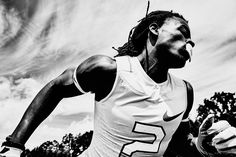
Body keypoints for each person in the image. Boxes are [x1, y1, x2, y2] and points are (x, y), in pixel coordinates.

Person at [0, 10, 236, 157]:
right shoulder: (109, 70)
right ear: (154, 30)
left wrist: (204, 145)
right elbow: (55, 88)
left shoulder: (185, 91)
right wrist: (14, 144)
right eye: (182, 32)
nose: (190, 41)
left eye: (191, 37)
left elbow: (177, 144)